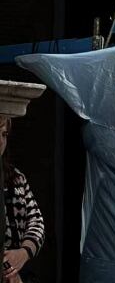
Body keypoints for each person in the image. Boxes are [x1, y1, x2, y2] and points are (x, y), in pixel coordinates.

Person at [0, 116, 44, 282]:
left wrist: (23, 253)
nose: (1, 141)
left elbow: (36, 221)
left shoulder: (16, 178)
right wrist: (9, 269)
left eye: (4, 134)